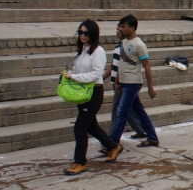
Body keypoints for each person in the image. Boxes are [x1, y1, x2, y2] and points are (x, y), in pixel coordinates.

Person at [62, 20, 123, 175]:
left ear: (93, 34)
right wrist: (71, 75)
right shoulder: (83, 50)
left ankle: (80, 162)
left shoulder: (98, 51)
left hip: (93, 93)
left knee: (80, 127)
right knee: (91, 126)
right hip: (83, 93)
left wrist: (75, 77)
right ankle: (113, 146)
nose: (83, 36)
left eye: (86, 33)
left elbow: (97, 74)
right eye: (80, 32)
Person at [110, 14, 160, 147]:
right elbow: (122, 63)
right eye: (119, 26)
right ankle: (153, 138)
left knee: (121, 113)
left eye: (123, 26)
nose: (120, 29)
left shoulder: (139, 45)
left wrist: (151, 87)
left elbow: (147, 66)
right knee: (139, 112)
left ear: (132, 28)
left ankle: (112, 144)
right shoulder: (123, 43)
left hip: (133, 83)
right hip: (124, 82)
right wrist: (117, 81)